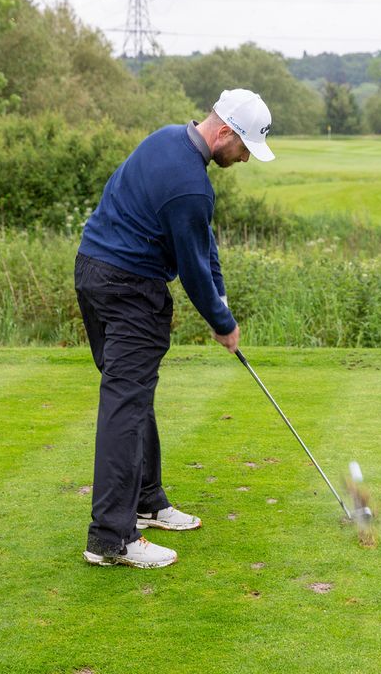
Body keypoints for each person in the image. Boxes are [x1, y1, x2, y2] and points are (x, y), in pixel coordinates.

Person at [74, 89, 275, 569]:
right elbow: (191, 269)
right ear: (224, 130)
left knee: (132, 395)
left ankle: (147, 502)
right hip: (128, 289)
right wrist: (223, 324)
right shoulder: (190, 185)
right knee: (126, 403)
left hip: (93, 273)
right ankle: (111, 538)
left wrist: (221, 299)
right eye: (244, 146)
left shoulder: (168, 141)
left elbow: (202, 242)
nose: (245, 157)